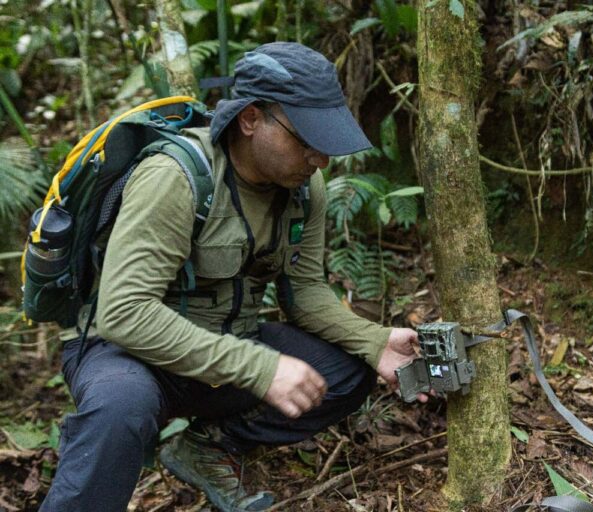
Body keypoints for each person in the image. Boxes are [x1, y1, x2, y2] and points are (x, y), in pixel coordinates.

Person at [40, 42, 427, 512]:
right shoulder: (174, 178)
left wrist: (374, 340)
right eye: (305, 139)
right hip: (126, 354)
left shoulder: (304, 188)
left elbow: (303, 292)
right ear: (250, 120)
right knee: (120, 408)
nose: (319, 159)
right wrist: (260, 368)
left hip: (223, 348)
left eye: (324, 144)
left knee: (346, 370)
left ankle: (207, 447)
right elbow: (124, 314)